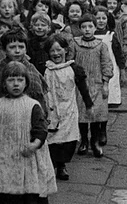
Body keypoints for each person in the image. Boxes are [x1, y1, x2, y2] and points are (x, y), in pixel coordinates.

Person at [0, 61, 57, 204]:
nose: (16, 84)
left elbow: (40, 129)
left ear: (26, 83)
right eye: (11, 80)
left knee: (26, 194)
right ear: (4, 83)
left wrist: (34, 144)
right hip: (1, 157)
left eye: (20, 80)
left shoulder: (32, 105)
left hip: (25, 158)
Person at [42, 34, 93, 181]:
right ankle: (51, 165)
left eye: (59, 50)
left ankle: (62, 165)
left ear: (65, 50)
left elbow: (83, 88)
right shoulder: (46, 69)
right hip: (51, 108)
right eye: (52, 51)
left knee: (67, 139)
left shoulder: (74, 69)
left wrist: (88, 104)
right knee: (52, 138)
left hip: (68, 109)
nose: (56, 53)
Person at [73, 13, 114, 158]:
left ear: (95, 28)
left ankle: (94, 142)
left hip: (96, 84)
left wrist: (106, 83)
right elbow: (71, 62)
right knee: (82, 115)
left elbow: (106, 64)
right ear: (80, 29)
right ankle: (83, 141)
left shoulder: (101, 45)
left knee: (96, 115)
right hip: (80, 86)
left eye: (90, 26)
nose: (87, 29)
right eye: (83, 27)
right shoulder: (75, 44)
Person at [93, 6, 123, 106]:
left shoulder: (111, 35)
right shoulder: (91, 34)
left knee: (112, 82)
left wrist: (121, 65)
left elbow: (118, 51)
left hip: (111, 62)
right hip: (95, 63)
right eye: (98, 18)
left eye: (104, 18)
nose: (101, 21)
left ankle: (112, 101)